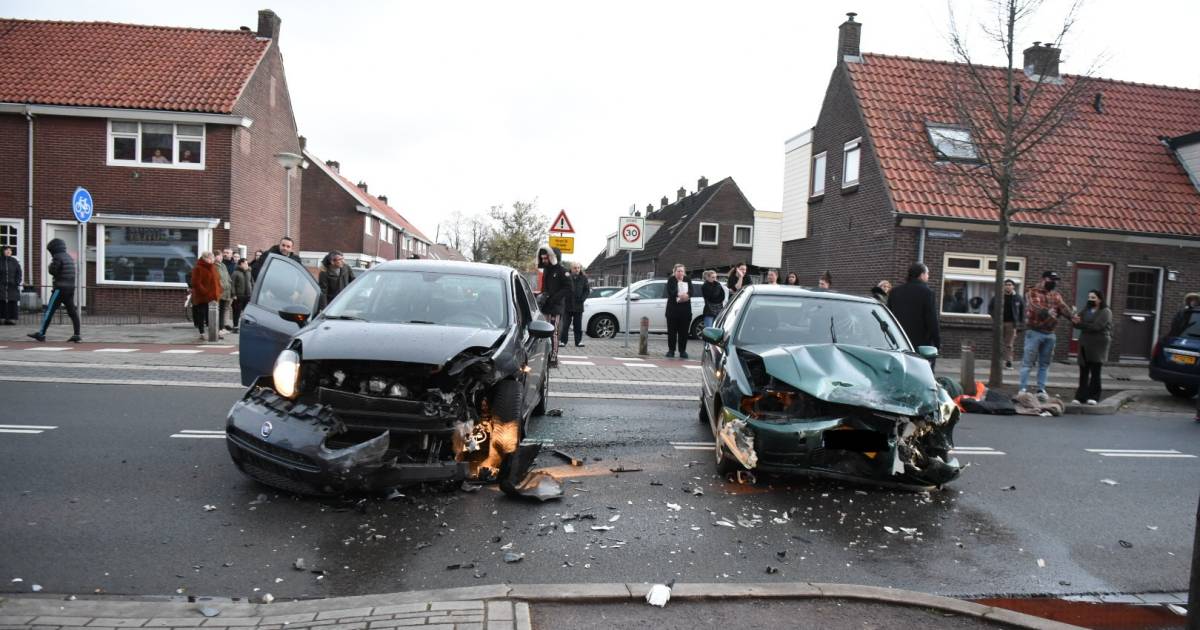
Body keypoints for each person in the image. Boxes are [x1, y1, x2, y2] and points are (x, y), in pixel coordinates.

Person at [1019, 271, 1075, 400]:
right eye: (1052, 279)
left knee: (1044, 364)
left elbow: (1063, 307)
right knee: (1028, 363)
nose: (1054, 282)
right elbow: (1033, 306)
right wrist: (1047, 311)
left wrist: (1072, 317)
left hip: (1050, 334)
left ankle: (1041, 389)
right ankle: (1022, 389)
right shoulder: (1032, 291)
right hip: (1034, 332)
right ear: (1044, 279)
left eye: (1056, 280)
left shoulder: (1055, 295)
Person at [28, 238, 81, 343]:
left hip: (59, 289)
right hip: (70, 289)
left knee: (49, 311)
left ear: (54, 249)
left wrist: (49, 266)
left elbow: (53, 271)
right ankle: (77, 334)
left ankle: (41, 334)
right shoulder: (69, 257)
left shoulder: (57, 257)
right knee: (72, 312)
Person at [888, 262, 940, 365]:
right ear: (921, 275)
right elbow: (931, 319)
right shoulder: (927, 293)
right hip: (920, 343)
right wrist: (937, 342)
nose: (928, 276)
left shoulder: (895, 292)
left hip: (898, 340)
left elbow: (889, 315)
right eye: (927, 273)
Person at [1071, 290, 1112, 406]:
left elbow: (1097, 327)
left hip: (1098, 344)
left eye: (1093, 297)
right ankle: (1080, 397)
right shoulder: (1085, 310)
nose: (1090, 299)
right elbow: (1077, 323)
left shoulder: (1106, 311)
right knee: (1083, 370)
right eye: (1089, 297)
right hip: (1085, 342)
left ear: (1100, 299)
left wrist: (1081, 324)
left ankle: (1094, 396)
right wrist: (1074, 321)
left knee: (1095, 370)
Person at [536, 245, 570, 367]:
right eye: (542, 258)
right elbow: (544, 288)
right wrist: (541, 296)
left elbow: (568, 288)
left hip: (556, 308)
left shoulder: (562, 271)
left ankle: (553, 359)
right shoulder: (546, 270)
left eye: (546, 258)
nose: (544, 260)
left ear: (553, 257)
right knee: (544, 332)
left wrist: (553, 298)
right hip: (546, 307)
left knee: (553, 332)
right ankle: (545, 356)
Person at [988, 279, 1026, 368]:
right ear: (1003, 286)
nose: (1008, 286)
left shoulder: (1018, 298)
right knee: (997, 343)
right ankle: (997, 362)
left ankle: (1009, 361)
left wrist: (1019, 324)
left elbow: (1022, 311)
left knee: (1009, 344)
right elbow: (990, 308)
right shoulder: (998, 296)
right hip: (999, 323)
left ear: (1013, 286)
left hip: (1011, 324)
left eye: (1010, 284)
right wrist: (995, 318)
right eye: (1006, 284)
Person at [664, 263, 696, 359]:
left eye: (682, 271)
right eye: (678, 271)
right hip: (672, 310)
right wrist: (679, 285)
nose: (680, 273)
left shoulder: (687, 279)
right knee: (672, 332)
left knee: (684, 332)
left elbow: (691, 291)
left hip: (685, 310)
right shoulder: (671, 280)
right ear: (674, 272)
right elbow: (671, 292)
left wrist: (687, 295)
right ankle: (671, 350)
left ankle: (682, 351)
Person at [188, 252, 221, 340]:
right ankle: (202, 333)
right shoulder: (198, 268)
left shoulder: (213, 267)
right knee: (202, 314)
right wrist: (205, 292)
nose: (213, 259)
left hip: (213, 295)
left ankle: (214, 332)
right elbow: (196, 283)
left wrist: (219, 289)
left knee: (211, 315)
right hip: (202, 296)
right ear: (206, 258)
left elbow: (217, 280)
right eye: (212, 258)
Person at [561, 262, 589, 348]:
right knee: (565, 325)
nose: (577, 269)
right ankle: (563, 341)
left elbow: (586, 291)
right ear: (571, 268)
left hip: (578, 306)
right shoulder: (566, 277)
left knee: (578, 325)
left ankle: (578, 342)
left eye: (578, 268)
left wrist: (582, 299)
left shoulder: (583, 278)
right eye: (575, 268)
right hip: (567, 305)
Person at [0, 246, 21, 325]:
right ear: (3, 251)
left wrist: (17, 282)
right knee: (1, 301)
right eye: (6, 250)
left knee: (12, 301)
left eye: (10, 250)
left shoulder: (14, 261)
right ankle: (2, 318)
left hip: (12, 285)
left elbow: (19, 273)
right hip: (1, 284)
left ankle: (11, 319)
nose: (8, 251)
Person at [231, 258, 252, 333]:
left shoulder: (249, 272)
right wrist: (233, 294)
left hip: (248, 295)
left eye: (247, 263)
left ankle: (246, 327)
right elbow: (232, 284)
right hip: (239, 295)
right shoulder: (236, 273)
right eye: (245, 263)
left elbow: (251, 283)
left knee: (247, 312)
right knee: (237, 312)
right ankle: (235, 327)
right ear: (241, 264)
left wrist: (252, 293)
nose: (247, 265)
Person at [213, 255, 232, 335]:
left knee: (223, 310)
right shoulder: (214, 266)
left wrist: (229, 283)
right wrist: (222, 286)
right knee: (218, 310)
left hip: (226, 291)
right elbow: (216, 278)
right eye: (218, 256)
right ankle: (218, 328)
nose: (220, 258)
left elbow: (227, 276)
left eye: (221, 256)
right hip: (219, 291)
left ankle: (222, 327)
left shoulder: (223, 265)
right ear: (215, 257)